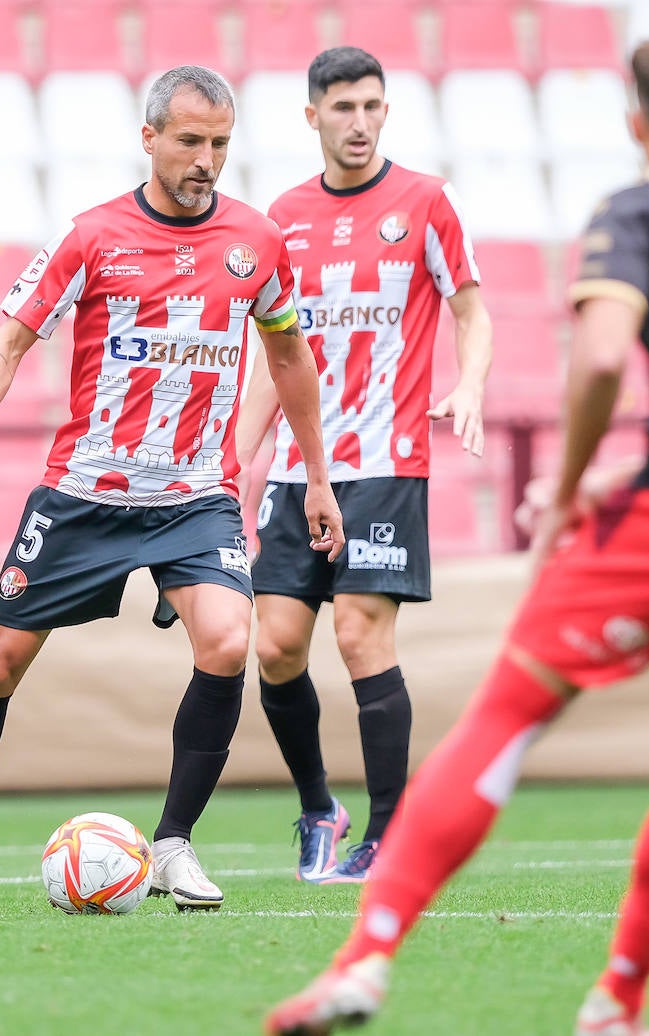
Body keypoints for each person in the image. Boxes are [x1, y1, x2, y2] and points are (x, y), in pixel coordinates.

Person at [265, 28, 649, 1035]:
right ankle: (618, 998)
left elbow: (596, 362)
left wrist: (572, 487)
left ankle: (363, 960)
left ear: (637, 121)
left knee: (511, 708)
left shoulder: (638, 207)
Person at [0, 65, 345, 920]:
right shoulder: (92, 236)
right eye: (189, 141)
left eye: (219, 144)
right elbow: (8, 341)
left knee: (227, 643)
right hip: (86, 492)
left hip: (196, 496)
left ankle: (174, 844)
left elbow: (290, 358)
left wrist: (318, 474)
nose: (206, 160)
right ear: (149, 138)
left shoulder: (256, 242)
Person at [236, 46, 492, 885]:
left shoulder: (424, 202)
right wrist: (234, 466)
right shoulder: (282, 218)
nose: (359, 122)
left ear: (387, 112)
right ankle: (320, 806)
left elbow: (471, 312)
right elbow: (276, 359)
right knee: (273, 648)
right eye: (343, 108)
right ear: (313, 116)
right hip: (297, 474)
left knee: (356, 632)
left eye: (373, 106)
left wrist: (471, 384)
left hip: (387, 461)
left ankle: (390, 831)